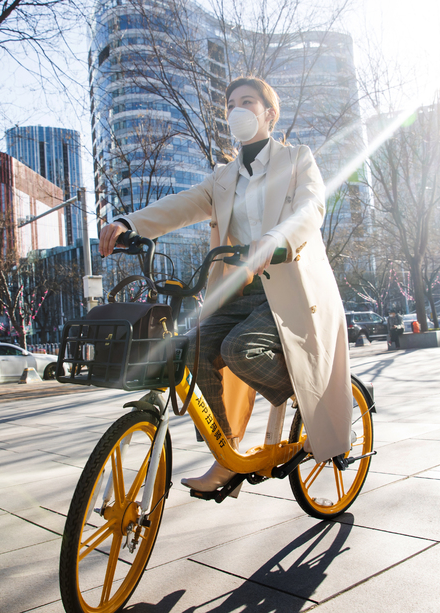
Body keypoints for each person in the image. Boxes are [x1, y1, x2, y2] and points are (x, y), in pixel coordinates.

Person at [98, 76, 352, 492]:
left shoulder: (296, 159)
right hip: (242, 290)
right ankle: (227, 454)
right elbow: (179, 206)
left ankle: (316, 398)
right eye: (231, 104)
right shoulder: (223, 178)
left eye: (247, 102)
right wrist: (130, 223)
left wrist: (275, 239)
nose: (236, 110)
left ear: (270, 114)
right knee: (191, 351)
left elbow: (311, 208)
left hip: (290, 291)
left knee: (239, 348)